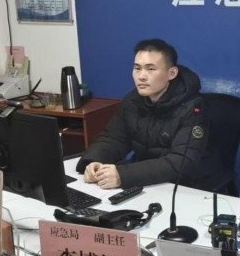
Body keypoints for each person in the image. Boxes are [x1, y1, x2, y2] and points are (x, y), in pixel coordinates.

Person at [76, 38, 217, 189]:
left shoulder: (194, 108)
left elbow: (182, 162)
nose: (141, 76)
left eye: (150, 69)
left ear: (171, 73)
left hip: (186, 185)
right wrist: (94, 161)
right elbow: (113, 138)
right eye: (137, 68)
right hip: (144, 179)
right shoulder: (132, 101)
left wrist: (123, 175)